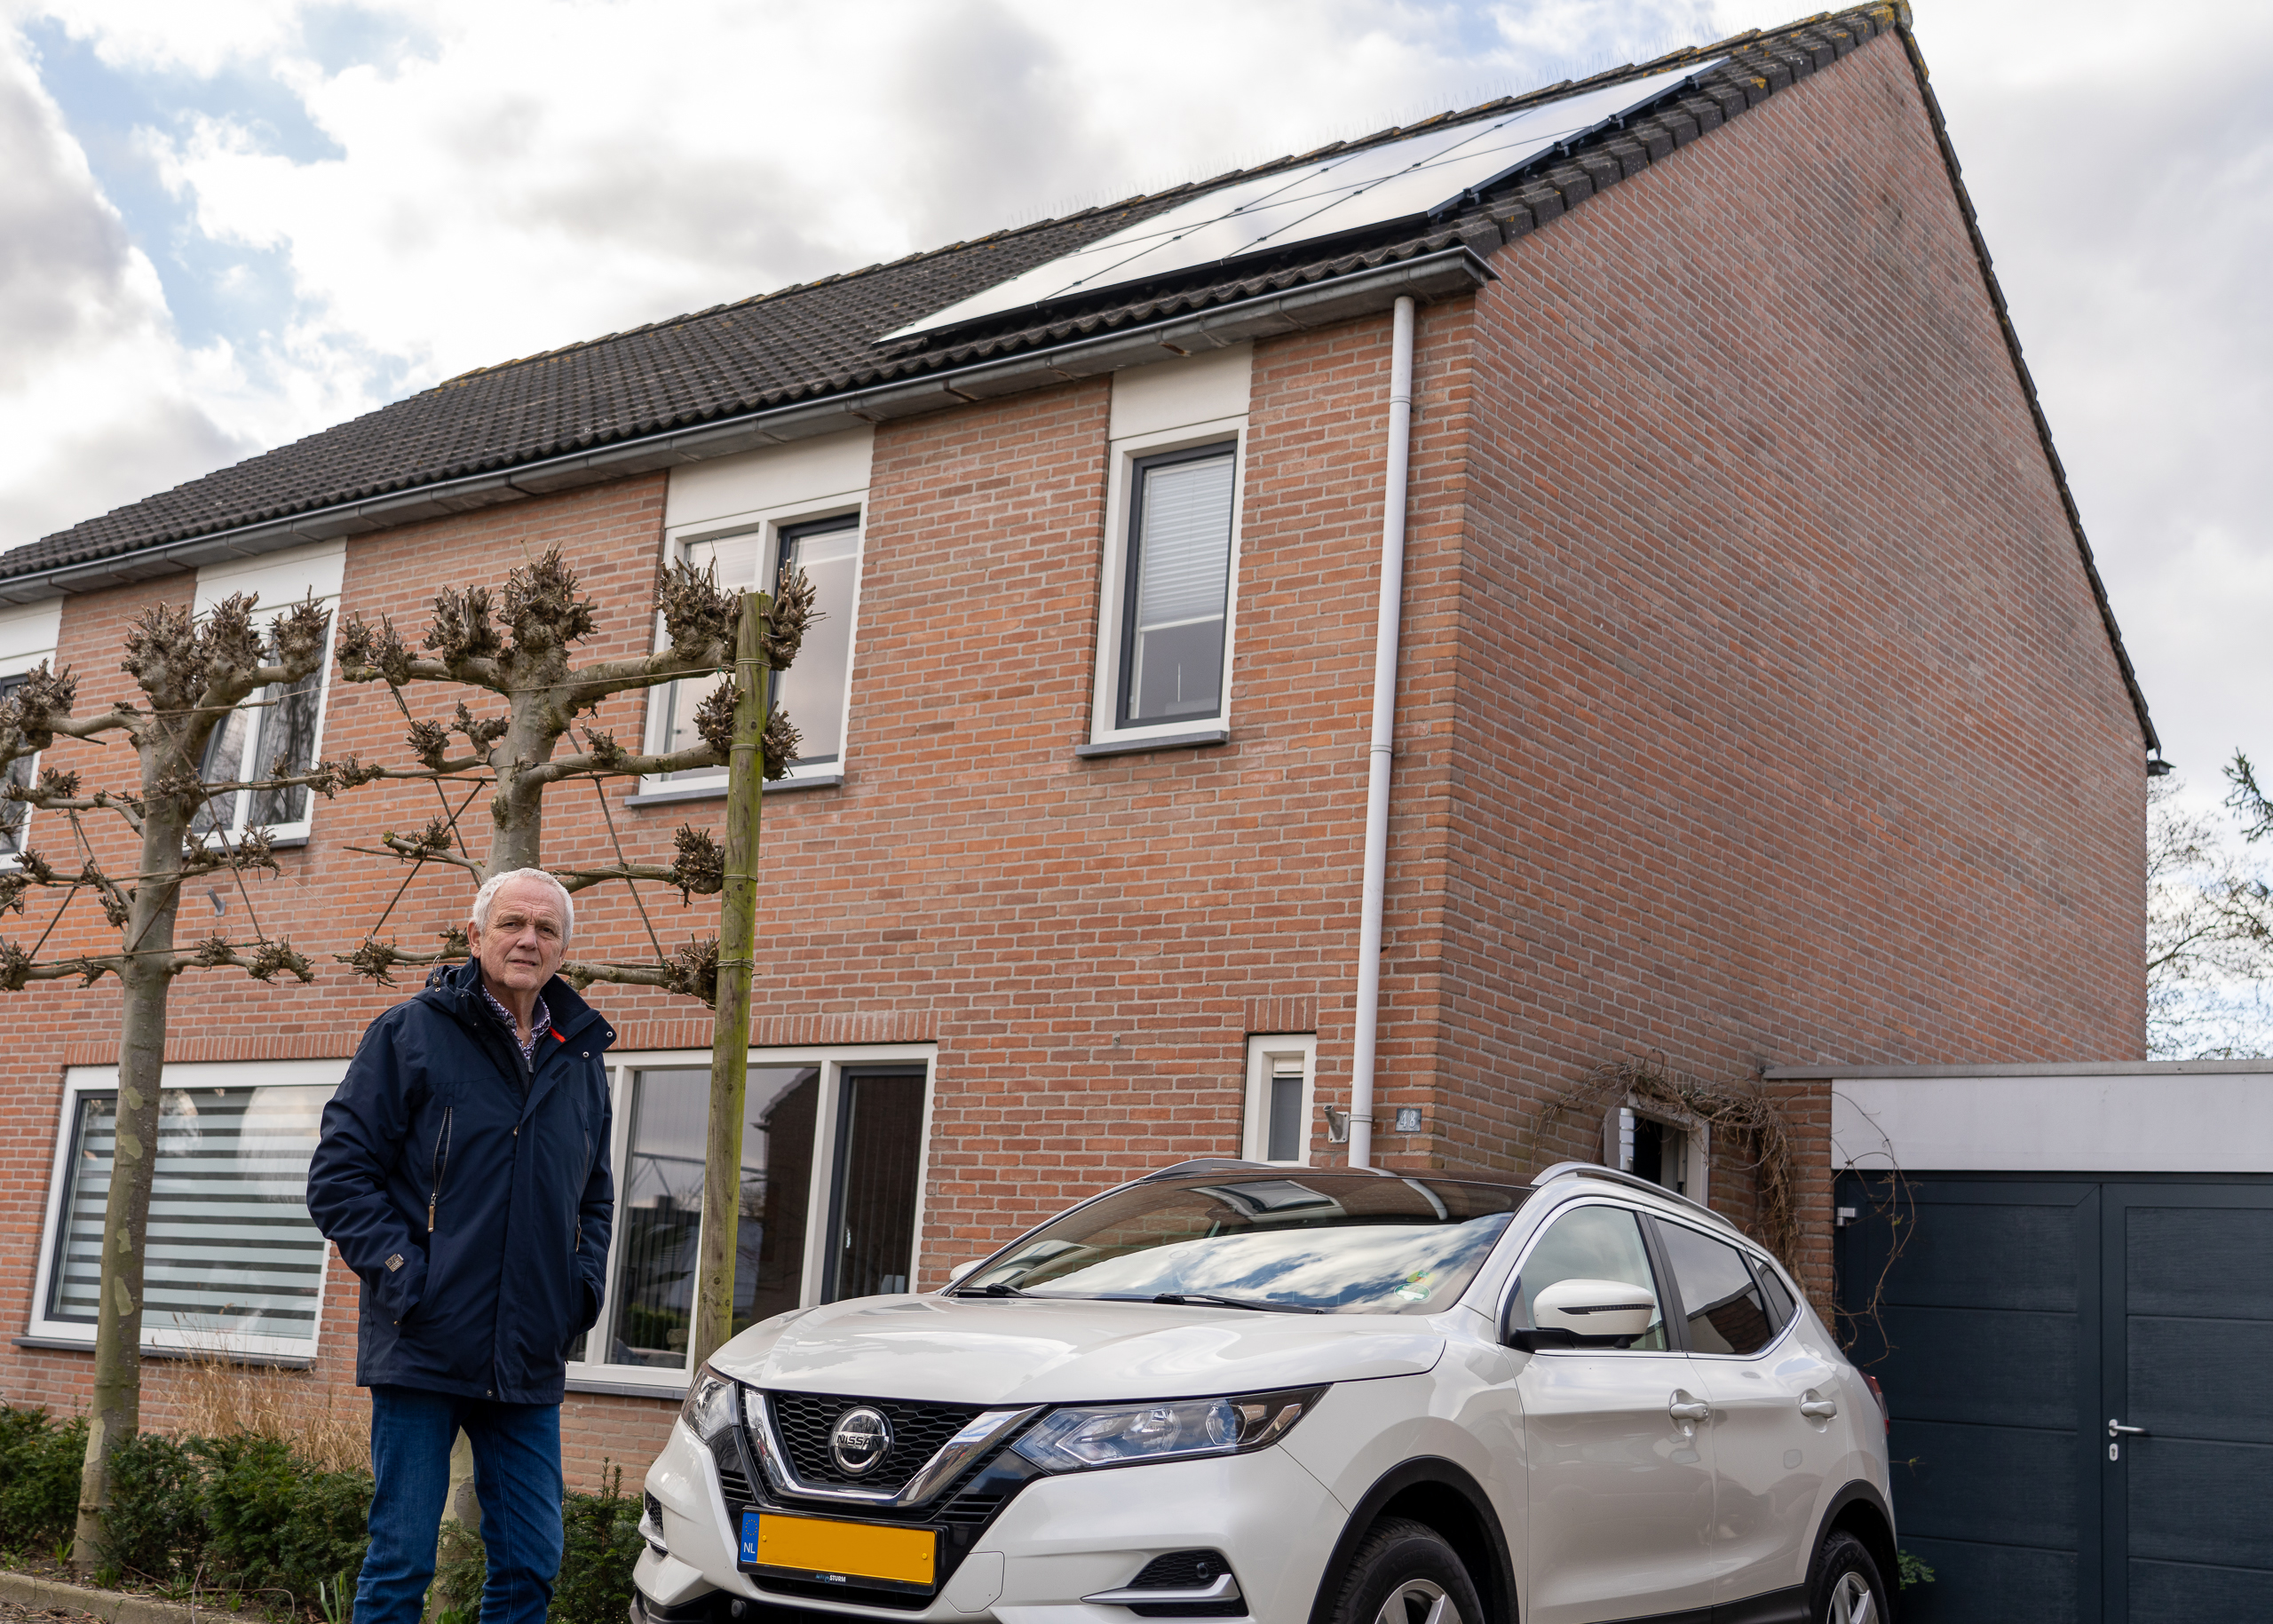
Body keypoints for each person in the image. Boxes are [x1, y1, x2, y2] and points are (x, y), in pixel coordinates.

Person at [309, 867, 616, 1624]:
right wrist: (405, 1275)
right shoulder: (409, 1032)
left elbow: (595, 1195)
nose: (529, 939)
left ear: (563, 949)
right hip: (425, 1340)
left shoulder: (579, 1055)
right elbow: (339, 1176)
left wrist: (579, 1291)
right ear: (475, 936)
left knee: (531, 1562)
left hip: (529, 1351)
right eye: (513, 923)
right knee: (400, 1561)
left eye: (546, 929)